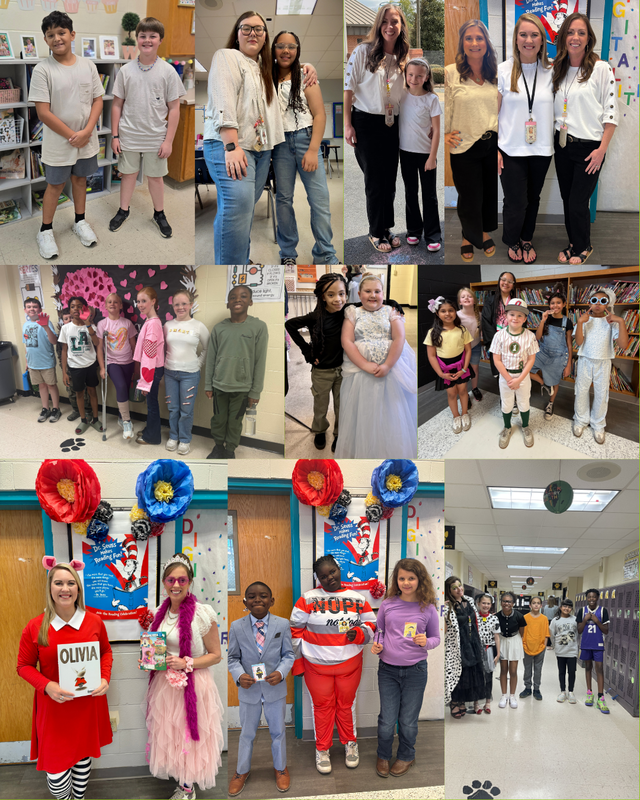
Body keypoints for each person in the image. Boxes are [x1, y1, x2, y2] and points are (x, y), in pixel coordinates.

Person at [204, 11, 316, 265]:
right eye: (246, 28)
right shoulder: (227, 56)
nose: (253, 33)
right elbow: (223, 100)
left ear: (265, 38)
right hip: (232, 146)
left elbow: (291, 69)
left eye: (259, 29)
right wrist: (231, 146)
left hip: (260, 150)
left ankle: (239, 259)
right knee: (238, 207)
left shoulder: (264, 70)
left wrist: (308, 66)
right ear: (237, 34)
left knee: (241, 210)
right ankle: (232, 268)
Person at [17, 559, 112, 800]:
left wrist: (104, 677)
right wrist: (46, 685)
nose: (65, 588)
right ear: (50, 587)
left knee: (82, 760)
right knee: (57, 775)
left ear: (78, 588)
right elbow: (23, 666)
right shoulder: (35, 626)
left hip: (86, 705)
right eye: (58, 583)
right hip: (54, 709)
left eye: (71, 583)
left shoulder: (94, 622)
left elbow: (106, 653)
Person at [143, 553, 223, 799]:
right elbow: (156, 651)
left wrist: (186, 662)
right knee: (172, 734)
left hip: (194, 684)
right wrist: (148, 660)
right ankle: (181, 780)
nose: (175, 585)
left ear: (189, 582)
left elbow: (216, 655)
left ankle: (188, 788)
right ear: (164, 583)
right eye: (170, 580)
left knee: (190, 735)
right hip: (165, 686)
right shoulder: (158, 612)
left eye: (182, 580)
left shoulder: (202, 613)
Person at [290, 555, 376, 775]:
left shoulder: (357, 598)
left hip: (350, 665)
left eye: (332, 572)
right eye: (323, 576)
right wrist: (298, 663)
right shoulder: (307, 599)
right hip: (315, 666)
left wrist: (359, 633)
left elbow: (373, 625)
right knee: (322, 707)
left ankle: (350, 744)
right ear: (317, 578)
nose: (329, 578)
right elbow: (294, 633)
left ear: (339, 569)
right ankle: (322, 749)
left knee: (346, 705)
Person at [29, 10, 104, 259]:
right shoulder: (42, 70)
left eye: (61, 32)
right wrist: (74, 135)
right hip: (59, 141)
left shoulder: (88, 65)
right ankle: (45, 229)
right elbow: (43, 112)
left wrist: (87, 131)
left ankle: (80, 221)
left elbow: (97, 100)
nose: (57, 38)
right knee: (55, 184)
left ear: (72, 35)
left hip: (86, 137)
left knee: (81, 180)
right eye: (50, 35)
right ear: (45, 39)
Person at [109, 17, 186, 238]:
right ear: (137, 39)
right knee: (128, 174)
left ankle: (159, 213)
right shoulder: (126, 71)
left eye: (152, 36)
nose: (147, 40)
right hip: (129, 135)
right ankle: (123, 210)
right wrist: (115, 135)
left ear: (160, 40)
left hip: (156, 137)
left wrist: (169, 140)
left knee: (155, 177)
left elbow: (174, 109)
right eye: (143, 36)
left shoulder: (168, 71)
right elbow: (116, 105)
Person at [553, 13, 618, 265]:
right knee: (567, 199)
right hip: (562, 145)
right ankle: (573, 243)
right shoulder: (558, 68)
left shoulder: (600, 68)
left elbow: (611, 112)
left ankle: (584, 246)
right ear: (563, 37)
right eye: (570, 32)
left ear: (589, 37)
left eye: (581, 32)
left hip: (591, 148)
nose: (575, 37)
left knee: (579, 202)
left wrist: (602, 149)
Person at [344, 4, 409, 253]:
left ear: (401, 26)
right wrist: (348, 124)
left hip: (392, 123)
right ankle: (375, 232)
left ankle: (386, 227)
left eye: (394, 21)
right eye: (384, 21)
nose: (389, 26)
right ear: (378, 25)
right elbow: (348, 89)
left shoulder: (403, 57)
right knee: (375, 180)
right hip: (366, 122)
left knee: (390, 180)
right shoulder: (363, 51)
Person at [271, 31, 338, 265]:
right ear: (273, 49)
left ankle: (325, 253)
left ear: (297, 50)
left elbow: (320, 115)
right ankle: (288, 254)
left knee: (319, 200)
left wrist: (312, 150)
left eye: (291, 46)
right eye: (281, 45)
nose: (286, 50)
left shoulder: (306, 76)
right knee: (283, 200)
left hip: (305, 140)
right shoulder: (265, 77)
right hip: (279, 145)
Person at [334, 274, 417, 458]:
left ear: (383, 294)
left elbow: (399, 338)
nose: (373, 295)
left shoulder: (391, 311)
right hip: (361, 371)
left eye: (377, 291)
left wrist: (387, 365)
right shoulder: (352, 313)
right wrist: (364, 364)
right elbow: (347, 341)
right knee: (364, 408)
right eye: (368, 291)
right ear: (359, 293)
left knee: (391, 408)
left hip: (391, 368)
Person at [371, 559, 440, 777]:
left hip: (415, 671)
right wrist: (377, 643)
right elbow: (379, 630)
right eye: (402, 578)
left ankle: (406, 755)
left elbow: (436, 638)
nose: (406, 583)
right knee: (386, 720)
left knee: (408, 721)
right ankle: (383, 755)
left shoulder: (427, 608)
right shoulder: (387, 604)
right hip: (388, 670)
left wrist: (425, 642)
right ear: (396, 580)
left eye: (411, 578)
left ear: (420, 580)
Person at [228, 582, 295, 796]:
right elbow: (232, 658)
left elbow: (288, 655)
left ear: (272, 601)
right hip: (249, 691)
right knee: (247, 733)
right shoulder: (236, 626)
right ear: (245, 601)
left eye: (263, 596)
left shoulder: (282, 624)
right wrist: (239, 675)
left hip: (275, 689)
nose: (258, 600)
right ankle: (241, 772)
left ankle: (281, 768)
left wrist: (282, 672)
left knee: (278, 732)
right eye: (252, 596)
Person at [498, 14, 554, 264]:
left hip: (542, 149)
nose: (529, 40)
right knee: (515, 201)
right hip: (510, 148)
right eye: (523, 34)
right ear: (516, 39)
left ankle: (527, 238)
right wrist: (493, 150)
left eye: (534, 35)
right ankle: (512, 239)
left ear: (542, 40)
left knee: (533, 198)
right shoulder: (502, 70)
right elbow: (492, 114)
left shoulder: (553, 70)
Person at [444, 20, 498, 261]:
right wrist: (444, 134)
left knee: (487, 193)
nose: (474, 43)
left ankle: (483, 231)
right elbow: (445, 106)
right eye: (469, 38)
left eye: (479, 38)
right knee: (469, 195)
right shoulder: (450, 72)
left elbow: (502, 111)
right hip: (463, 144)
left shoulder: (495, 74)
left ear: (486, 42)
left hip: (491, 143)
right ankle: (469, 236)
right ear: (462, 43)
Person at [285, 273, 348, 453]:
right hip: (322, 372)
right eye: (331, 295)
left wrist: (391, 303)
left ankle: (339, 433)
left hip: (343, 370)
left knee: (341, 404)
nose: (338, 299)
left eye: (342, 294)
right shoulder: (315, 317)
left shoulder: (348, 311)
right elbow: (290, 325)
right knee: (320, 404)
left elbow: (370, 300)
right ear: (322, 296)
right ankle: (320, 430)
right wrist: (307, 352)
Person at [204, 285, 268, 459]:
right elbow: (211, 358)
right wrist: (208, 384)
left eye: (243, 296)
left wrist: (255, 391)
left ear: (251, 301)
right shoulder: (219, 328)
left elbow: (260, 361)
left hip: (242, 388)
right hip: (219, 386)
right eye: (232, 297)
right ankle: (218, 447)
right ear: (227, 304)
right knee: (218, 419)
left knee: (234, 422)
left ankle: (230, 450)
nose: (237, 299)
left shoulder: (259, 327)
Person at [573, 287, 628, 444]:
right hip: (585, 360)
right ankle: (580, 420)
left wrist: (621, 321)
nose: (598, 304)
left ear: (607, 304)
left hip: (603, 362)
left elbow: (623, 345)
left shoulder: (611, 321)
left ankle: (598, 424)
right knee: (581, 391)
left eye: (602, 301)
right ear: (589, 302)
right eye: (594, 300)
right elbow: (578, 342)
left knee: (601, 394)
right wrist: (580, 323)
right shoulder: (584, 319)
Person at [398, 58, 442, 251]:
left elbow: (437, 130)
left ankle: (433, 235)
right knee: (410, 193)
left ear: (426, 77)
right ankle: (414, 230)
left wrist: (432, 157)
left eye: (419, 75)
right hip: (405, 153)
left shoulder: (431, 99)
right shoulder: (400, 95)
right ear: (405, 75)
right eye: (410, 75)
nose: (414, 79)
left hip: (426, 154)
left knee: (429, 195)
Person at [489, 297, 540, 448]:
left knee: (524, 402)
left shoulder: (530, 336)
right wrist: (508, 379)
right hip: (505, 377)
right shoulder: (499, 336)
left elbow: (531, 360)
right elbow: (497, 360)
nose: (515, 318)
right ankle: (507, 427)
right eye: (512, 314)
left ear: (525, 318)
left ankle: (525, 426)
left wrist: (519, 380)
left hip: (523, 376)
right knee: (507, 403)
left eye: (520, 315)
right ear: (505, 316)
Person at [163, 290, 209, 456]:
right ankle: (173, 437)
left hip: (190, 374)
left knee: (186, 410)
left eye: (184, 304)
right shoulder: (167, 325)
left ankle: (184, 439)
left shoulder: (198, 326)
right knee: (173, 408)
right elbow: (161, 347)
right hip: (169, 373)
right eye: (177, 304)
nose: (180, 307)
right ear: (172, 306)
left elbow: (208, 347)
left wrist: (198, 363)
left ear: (190, 305)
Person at [425, 296, 474, 434]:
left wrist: (464, 369)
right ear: (437, 313)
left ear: (455, 312)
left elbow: (468, 350)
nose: (447, 314)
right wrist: (440, 373)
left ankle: (465, 413)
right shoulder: (433, 333)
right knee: (452, 393)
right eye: (443, 311)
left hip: (461, 366)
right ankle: (456, 416)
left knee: (463, 390)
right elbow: (432, 355)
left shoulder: (462, 330)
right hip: (444, 369)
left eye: (451, 310)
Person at [59, 296, 103, 436]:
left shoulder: (90, 326)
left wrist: (88, 324)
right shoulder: (66, 328)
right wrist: (64, 372)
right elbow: (64, 351)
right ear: (69, 310)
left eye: (79, 306)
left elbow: (96, 343)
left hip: (90, 364)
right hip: (75, 367)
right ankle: (84, 420)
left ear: (84, 308)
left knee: (92, 392)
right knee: (79, 393)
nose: (76, 309)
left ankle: (95, 419)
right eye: (73, 306)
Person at [95, 293, 137, 441]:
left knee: (125, 389)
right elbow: (100, 347)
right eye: (109, 302)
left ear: (120, 305)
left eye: (116, 302)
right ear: (105, 306)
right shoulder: (102, 324)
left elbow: (133, 345)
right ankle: (126, 421)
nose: (112, 304)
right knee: (120, 386)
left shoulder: (127, 323)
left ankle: (121, 416)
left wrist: (137, 366)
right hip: (112, 362)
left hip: (128, 362)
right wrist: (102, 367)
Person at [529, 283, 572, 421]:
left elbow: (569, 345)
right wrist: (542, 321)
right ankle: (543, 384)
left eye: (558, 303)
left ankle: (551, 403)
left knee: (554, 382)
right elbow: (538, 337)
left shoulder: (568, 322)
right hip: (542, 352)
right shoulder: (546, 318)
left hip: (558, 356)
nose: (555, 306)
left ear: (564, 304)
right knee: (525, 369)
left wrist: (568, 364)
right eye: (552, 303)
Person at [443, 576, 485, 719]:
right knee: (457, 674)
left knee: (468, 674)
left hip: (472, 642)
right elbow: (444, 628)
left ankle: (462, 701)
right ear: (449, 591)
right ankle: (454, 702)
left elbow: (476, 622)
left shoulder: (469, 601)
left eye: (460, 586)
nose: (459, 589)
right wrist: (441, 609)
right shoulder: (447, 605)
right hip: (457, 644)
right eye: (454, 588)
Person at [133, 286, 165, 446]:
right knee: (151, 403)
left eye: (144, 301)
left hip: (151, 370)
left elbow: (150, 355)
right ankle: (150, 430)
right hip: (151, 369)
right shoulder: (151, 321)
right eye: (138, 301)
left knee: (152, 404)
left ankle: (153, 437)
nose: (140, 304)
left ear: (153, 301)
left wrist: (146, 382)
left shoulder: (152, 325)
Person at [22, 296, 61, 423]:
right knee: (41, 386)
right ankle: (45, 408)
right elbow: (26, 344)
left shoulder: (46, 323)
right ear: (25, 310)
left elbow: (54, 341)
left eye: (35, 306)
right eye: (29, 307)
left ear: (40, 309)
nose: (32, 309)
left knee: (51, 385)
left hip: (46, 361)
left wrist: (45, 327)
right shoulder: (25, 325)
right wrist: (27, 361)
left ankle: (56, 408)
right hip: (33, 363)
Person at [576, 588, 610, 713]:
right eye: (589, 597)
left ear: (597, 598)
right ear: (586, 598)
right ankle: (589, 693)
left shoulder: (603, 611)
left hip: (598, 644)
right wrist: (585, 620)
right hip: (586, 644)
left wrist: (597, 621)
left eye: (594, 597)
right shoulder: (581, 611)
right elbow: (579, 630)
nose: (591, 599)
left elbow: (606, 630)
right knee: (588, 667)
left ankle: (601, 697)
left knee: (599, 669)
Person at [481, 271, 518, 380]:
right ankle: (503, 395)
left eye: (510, 281)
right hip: (496, 340)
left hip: (513, 339)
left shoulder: (516, 301)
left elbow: (521, 320)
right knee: (500, 369)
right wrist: (496, 340)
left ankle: (513, 391)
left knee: (512, 367)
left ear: (513, 285)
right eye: (503, 279)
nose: (506, 283)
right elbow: (486, 321)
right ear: (499, 281)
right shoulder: (490, 300)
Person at [495, 592, 526, 708]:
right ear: (501, 602)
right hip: (501, 640)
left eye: (509, 601)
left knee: (513, 671)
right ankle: (504, 695)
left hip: (514, 640)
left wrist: (517, 641)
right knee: (503, 670)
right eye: (504, 601)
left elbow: (521, 631)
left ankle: (512, 696)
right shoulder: (496, 616)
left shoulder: (519, 616)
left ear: (513, 603)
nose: (506, 603)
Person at [519, 596, 550, 701]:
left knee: (538, 669)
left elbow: (546, 634)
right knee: (527, 669)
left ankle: (537, 689)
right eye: (534, 603)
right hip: (526, 647)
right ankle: (527, 688)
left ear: (541, 606)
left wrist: (544, 645)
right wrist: (523, 644)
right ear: (530, 605)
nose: (536, 605)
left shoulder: (544, 618)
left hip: (540, 647)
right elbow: (522, 633)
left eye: (538, 603)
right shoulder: (525, 617)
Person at [549, 598, 578, 703]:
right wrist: (555, 646)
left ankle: (571, 692)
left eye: (569, 607)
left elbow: (577, 634)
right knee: (561, 671)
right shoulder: (555, 621)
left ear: (571, 609)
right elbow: (552, 635)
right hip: (560, 651)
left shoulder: (575, 619)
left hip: (572, 650)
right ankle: (562, 692)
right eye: (565, 606)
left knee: (572, 672)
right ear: (560, 607)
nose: (567, 608)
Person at [475, 593, 500, 714]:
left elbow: (497, 637)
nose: (486, 605)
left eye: (488, 603)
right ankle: (476, 702)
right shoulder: (474, 617)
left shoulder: (494, 618)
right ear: (478, 604)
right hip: (476, 650)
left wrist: (498, 654)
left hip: (489, 649)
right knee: (476, 676)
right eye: (483, 603)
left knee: (488, 676)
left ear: (491, 605)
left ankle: (488, 702)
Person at [457, 287, 483, 402]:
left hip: (476, 346)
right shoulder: (456, 316)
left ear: (474, 300)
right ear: (460, 302)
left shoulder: (480, 315)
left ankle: (474, 388)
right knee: (463, 370)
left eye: (469, 296)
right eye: (463, 297)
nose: (466, 298)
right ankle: (464, 393)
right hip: (461, 348)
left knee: (475, 368)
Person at [56, 308, 80, 422]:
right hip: (69, 369)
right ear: (62, 322)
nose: (69, 320)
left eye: (71, 317)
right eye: (66, 319)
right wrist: (64, 371)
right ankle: (76, 410)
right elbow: (61, 355)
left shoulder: (81, 330)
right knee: (71, 391)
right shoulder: (62, 335)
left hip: (80, 367)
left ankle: (87, 411)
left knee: (83, 391)